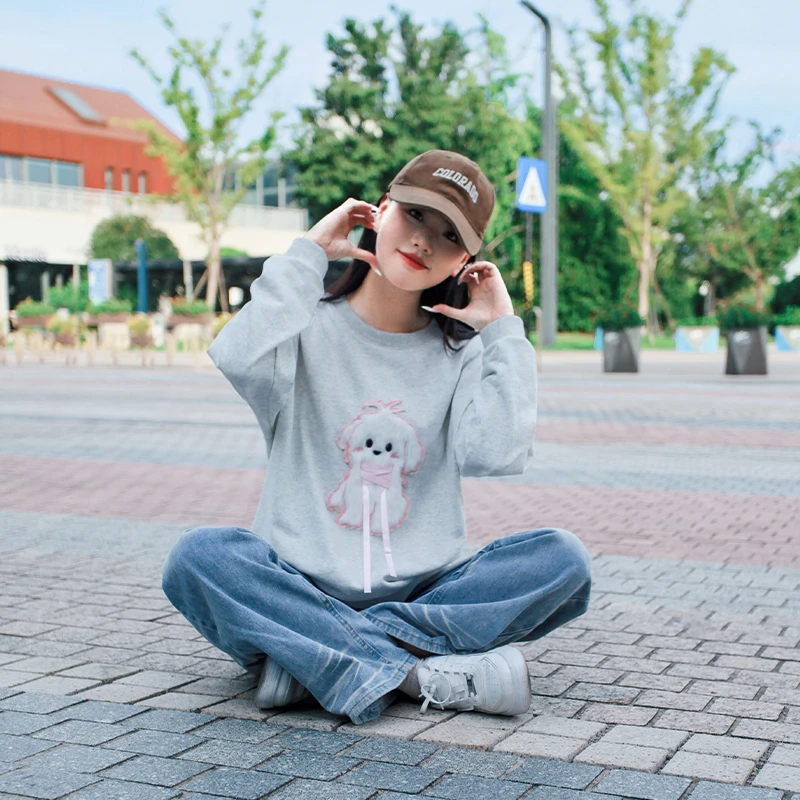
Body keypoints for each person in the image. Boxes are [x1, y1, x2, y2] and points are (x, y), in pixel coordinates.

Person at [161, 150, 591, 725]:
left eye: (448, 236)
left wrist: (503, 332)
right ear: (379, 211)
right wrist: (308, 254)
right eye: (414, 215)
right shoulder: (304, 325)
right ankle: (416, 673)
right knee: (200, 558)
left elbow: (498, 451)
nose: (422, 242)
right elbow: (237, 356)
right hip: (296, 586)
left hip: (421, 597)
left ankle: (314, 657)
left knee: (561, 561)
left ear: (465, 260)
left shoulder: (459, 356)